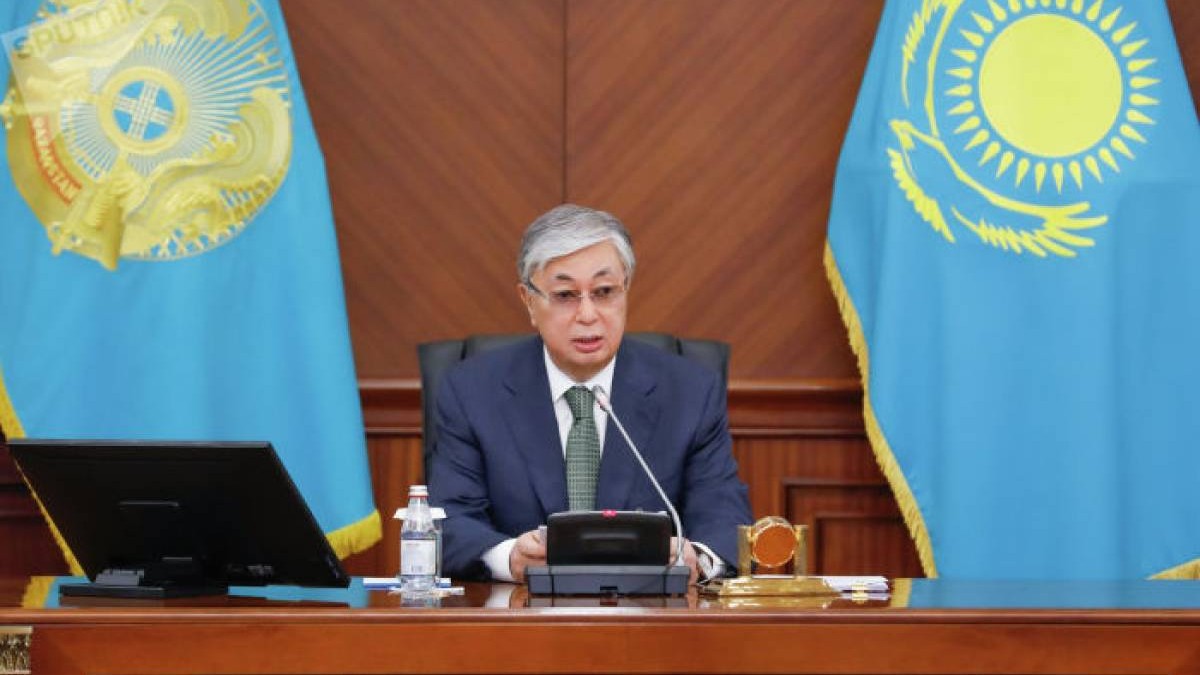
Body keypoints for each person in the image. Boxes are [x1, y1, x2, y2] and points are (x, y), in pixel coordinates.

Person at [429, 204, 752, 584]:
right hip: (518, 613)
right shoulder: (472, 392)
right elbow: (447, 520)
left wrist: (696, 558)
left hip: (654, 612)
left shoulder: (689, 392)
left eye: (604, 292)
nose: (587, 315)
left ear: (626, 289)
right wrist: (510, 557)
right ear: (529, 300)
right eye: (566, 295)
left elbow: (725, 517)